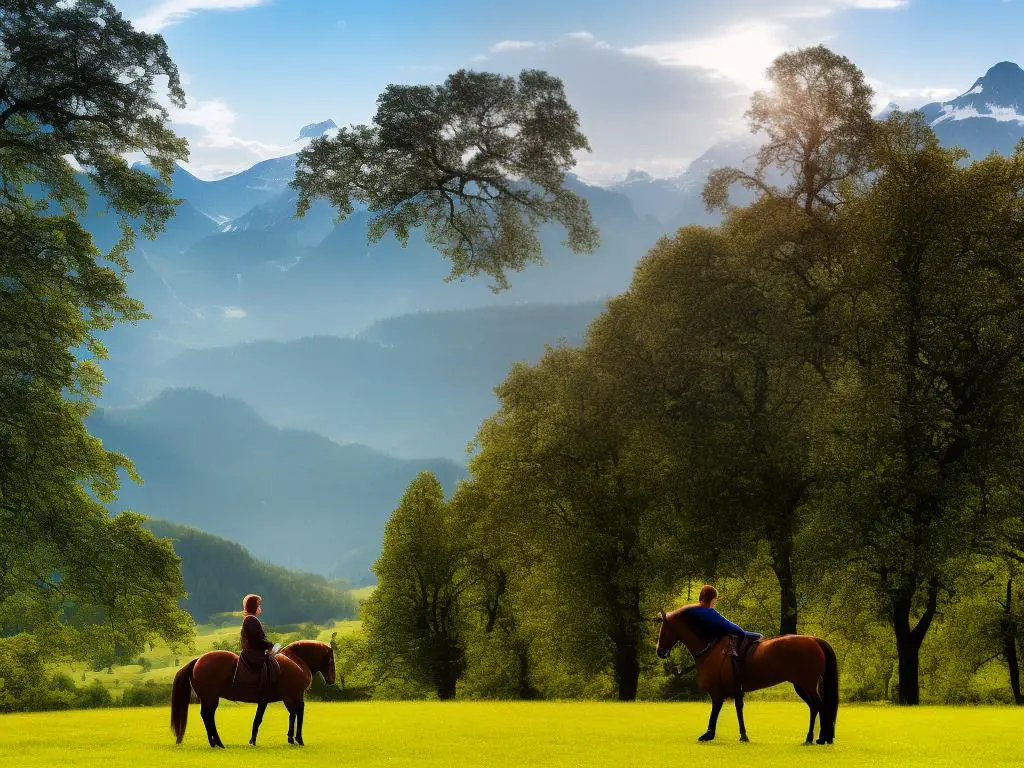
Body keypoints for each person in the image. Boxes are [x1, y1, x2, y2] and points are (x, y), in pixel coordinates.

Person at [690, 584, 762, 694]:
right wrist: (741, 632)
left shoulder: (695, 610)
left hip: (718, 637)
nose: (715, 603)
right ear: (712, 599)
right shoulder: (709, 612)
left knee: (752, 636)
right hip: (725, 635)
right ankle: (741, 672)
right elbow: (727, 625)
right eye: (715, 600)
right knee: (755, 636)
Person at [235, 594, 281, 698]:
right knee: (270, 663)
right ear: (253, 607)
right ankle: (265, 692)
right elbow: (257, 640)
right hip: (253, 654)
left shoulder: (251, 619)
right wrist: (272, 647)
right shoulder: (250, 620)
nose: (260, 608)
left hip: (255, 651)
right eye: (258, 605)